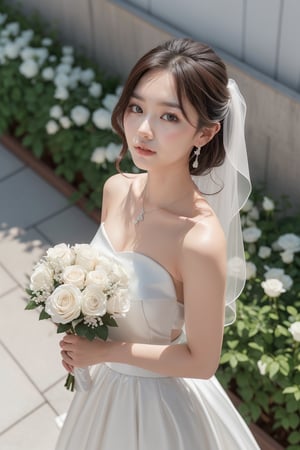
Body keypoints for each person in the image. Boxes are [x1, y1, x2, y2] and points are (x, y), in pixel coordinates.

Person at [56, 38, 260, 449]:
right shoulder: (116, 188)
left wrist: (106, 351)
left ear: (205, 132)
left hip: (159, 405)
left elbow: (201, 362)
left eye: (169, 116)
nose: (143, 130)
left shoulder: (198, 239)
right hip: (101, 389)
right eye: (136, 108)